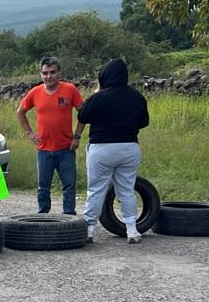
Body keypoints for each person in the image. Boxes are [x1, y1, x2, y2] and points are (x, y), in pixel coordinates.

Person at [77, 58, 150, 244]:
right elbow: (144, 122)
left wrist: (95, 93)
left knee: (96, 190)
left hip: (102, 148)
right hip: (129, 148)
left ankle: (89, 229)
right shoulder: (136, 96)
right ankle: (132, 230)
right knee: (126, 189)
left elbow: (83, 115)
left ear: (104, 76)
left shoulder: (100, 97)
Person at [16, 57, 84, 214]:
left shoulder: (70, 90)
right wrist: (30, 133)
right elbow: (20, 112)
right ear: (41, 74)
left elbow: (84, 113)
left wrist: (77, 136)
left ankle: (69, 216)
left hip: (66, 148)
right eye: (45, 73)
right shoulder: (35, 92)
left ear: (59, 72)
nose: (49, 76)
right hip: (44, 148)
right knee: (43, 187)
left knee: (69, 185)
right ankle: (43, 216)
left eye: (52, 72)